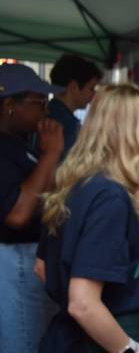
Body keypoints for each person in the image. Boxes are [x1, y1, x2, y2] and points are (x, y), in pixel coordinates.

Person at [39, 85, 139, 352]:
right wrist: (129, 349)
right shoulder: (110, 197)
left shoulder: (76, 183)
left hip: (68, 337)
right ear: (135, 134)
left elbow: (42, 267)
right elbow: (83, 303)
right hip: (98, 339)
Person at [0, 64, 63, 352]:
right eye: (40, 103)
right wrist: (51, 155)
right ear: (10, 105)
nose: (46, 112)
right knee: (24, 343)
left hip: (27, 260)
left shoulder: (19, 143)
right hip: (13, 262)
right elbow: (17, 214)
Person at [48, 54, 103, 159]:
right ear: (73, 87)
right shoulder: (67, 125)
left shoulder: (48, 112)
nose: (94, 94)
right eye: (91, 88)